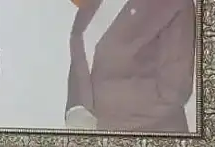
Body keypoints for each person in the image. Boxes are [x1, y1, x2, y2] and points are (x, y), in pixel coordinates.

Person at [65, 0, 196, 132]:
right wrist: (75, 108)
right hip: (94, 130)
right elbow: (83, 56)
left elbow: (173, 90)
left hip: (149, 133)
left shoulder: (175, 4)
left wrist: (102, 116)